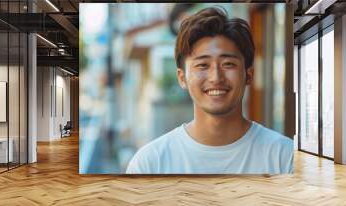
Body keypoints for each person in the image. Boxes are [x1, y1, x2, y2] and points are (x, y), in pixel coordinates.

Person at [126, 7, 293, 174]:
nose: (216, 77)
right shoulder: (150, 164)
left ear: (248, 75)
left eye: (228, 64)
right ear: (182, 78)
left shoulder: (285, 158)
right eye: (202, 65)